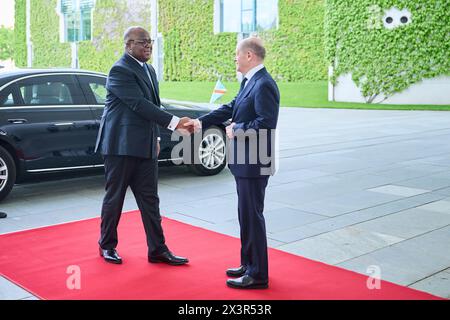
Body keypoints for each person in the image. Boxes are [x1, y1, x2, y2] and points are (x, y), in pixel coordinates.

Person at [185, 37, 280, 289]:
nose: (234, 58)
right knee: (245, 215)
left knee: (252, 216)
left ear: (249, 55)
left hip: (255, 160)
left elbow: (266, 123)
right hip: (244, 160)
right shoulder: (250, 82)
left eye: (236, 54)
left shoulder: (264, 84)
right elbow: (231, 106)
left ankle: (258, 275)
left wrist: (237, 129)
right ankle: (248, 264)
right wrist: (200, 122)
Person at [95, 26, 190, 266]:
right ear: (128, 45)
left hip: (145, 146)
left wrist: (157, 138)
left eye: (150, 42)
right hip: (120, 147)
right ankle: (107, 246)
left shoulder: (149, 69)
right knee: (114, 198)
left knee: (150, 200)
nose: (148, 46)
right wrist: (176, 123)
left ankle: (157, 249)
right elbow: (139, 105)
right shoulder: (119, 70)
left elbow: (153, 106)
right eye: (142, 42)